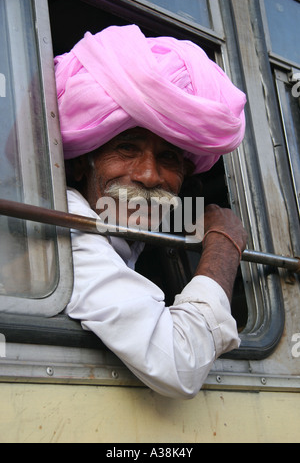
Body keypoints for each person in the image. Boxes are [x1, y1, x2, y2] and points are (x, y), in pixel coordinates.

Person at [55, 25, 248, 399]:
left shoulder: (122, 219)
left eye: (168, 158)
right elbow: (177, 362)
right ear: (82, 164)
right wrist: (224, 243)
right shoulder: (67, 227)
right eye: (126, 148)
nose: (148, 175)